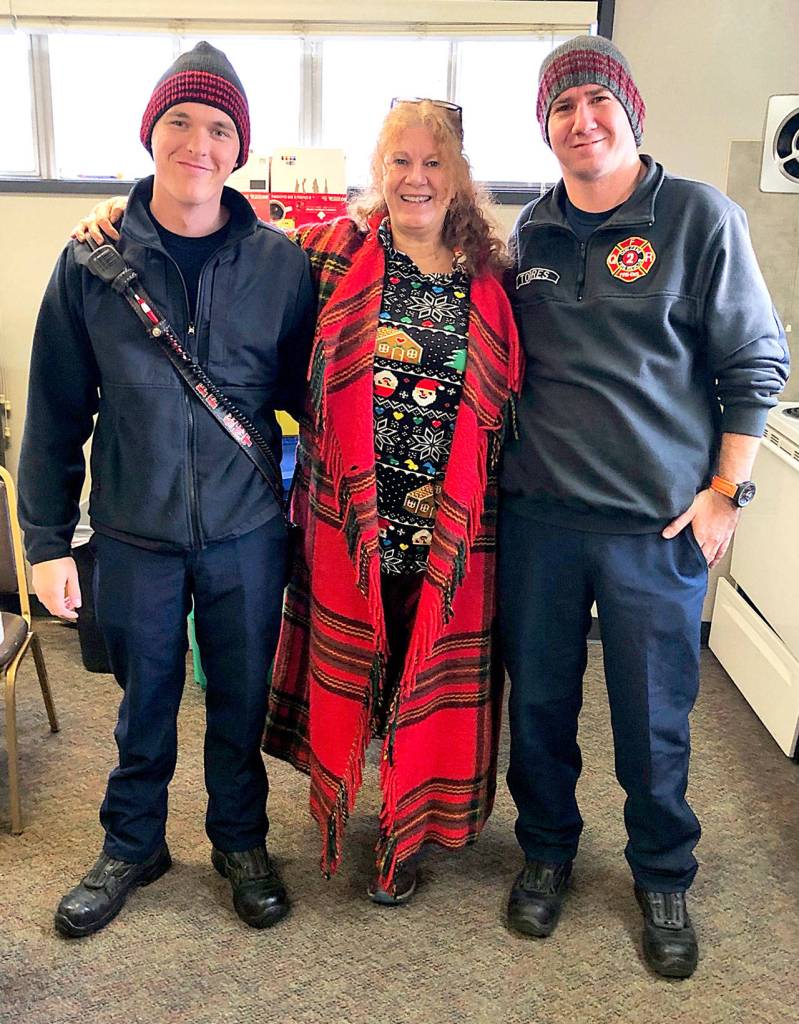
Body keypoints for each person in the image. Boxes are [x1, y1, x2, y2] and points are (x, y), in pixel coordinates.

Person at [72, 99, 521, 906]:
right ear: (377, 173)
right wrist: (122, 210)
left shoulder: (497, 275)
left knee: (424, 691)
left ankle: (402, 832)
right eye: (398, 161)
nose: (415, 178)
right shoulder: (326, 255)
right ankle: (169, 840)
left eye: (433, 162)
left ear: (458, 175)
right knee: (340, 681)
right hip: (348, 523)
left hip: (452, 531)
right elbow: (219, 229)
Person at [498, 35, 789, 977]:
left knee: (653, 714)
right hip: (539, 521)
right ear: (543, 126)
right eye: (560, 107)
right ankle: (545, 852)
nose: (580, 122)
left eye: (595, 102)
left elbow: (755, 364)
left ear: (629, 113)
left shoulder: (699, 218)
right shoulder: (530, 234)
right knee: (537, 706)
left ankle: (661, 869)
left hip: (653, 529)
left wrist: (723, 494)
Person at [18, 41, 315, 938]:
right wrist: (43, 543)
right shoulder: (91, 261)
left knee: (238, 696)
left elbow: (311, 396)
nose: (199, 142)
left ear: (240, 148)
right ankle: (132, 843)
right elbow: (55, 408)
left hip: (246, 529)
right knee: (142, 698)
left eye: (220, 127)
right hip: (133, 529)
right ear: (151, 134)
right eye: (180, 121)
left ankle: (239, 840)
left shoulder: (281, 263)